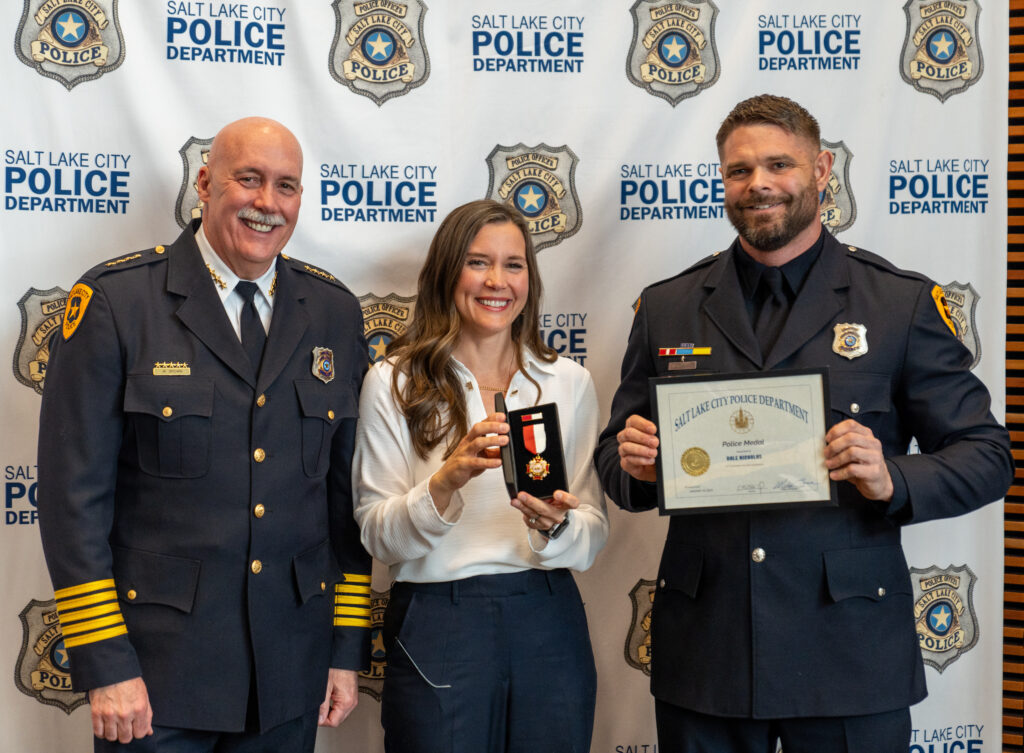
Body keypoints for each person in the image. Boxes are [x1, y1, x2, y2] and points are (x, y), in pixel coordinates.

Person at [595, 94, 1013, 753]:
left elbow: (988, 455)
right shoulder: (669, 307)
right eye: (738, 171)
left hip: (848, 654)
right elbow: (615, 464)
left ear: (820, 170)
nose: (758, 183)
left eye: (778, 164)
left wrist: (891, 478)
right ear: (723, 182)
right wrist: (637, 467)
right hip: (710, 657)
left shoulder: (899, 304)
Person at [37, 117, 371, 753]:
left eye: (286, 186)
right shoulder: (117, 302)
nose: (266, 203)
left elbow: (344, 504)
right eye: (248, 180)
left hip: (288, 672)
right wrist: (107, 664)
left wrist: (343, 647)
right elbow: (70, 502)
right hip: (158, 680)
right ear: (205, 182)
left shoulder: (332, 312)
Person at [353, 199, 608, 752]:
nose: (497, 281)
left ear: (530, 280)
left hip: (548, 614)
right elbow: (377, 535)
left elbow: (592, 536)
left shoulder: (569, 381)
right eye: (478, 262)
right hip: (438, 620)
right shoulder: (393, 381)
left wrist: (559, 527)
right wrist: (443, 484)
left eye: (513, 265)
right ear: (447, 272)